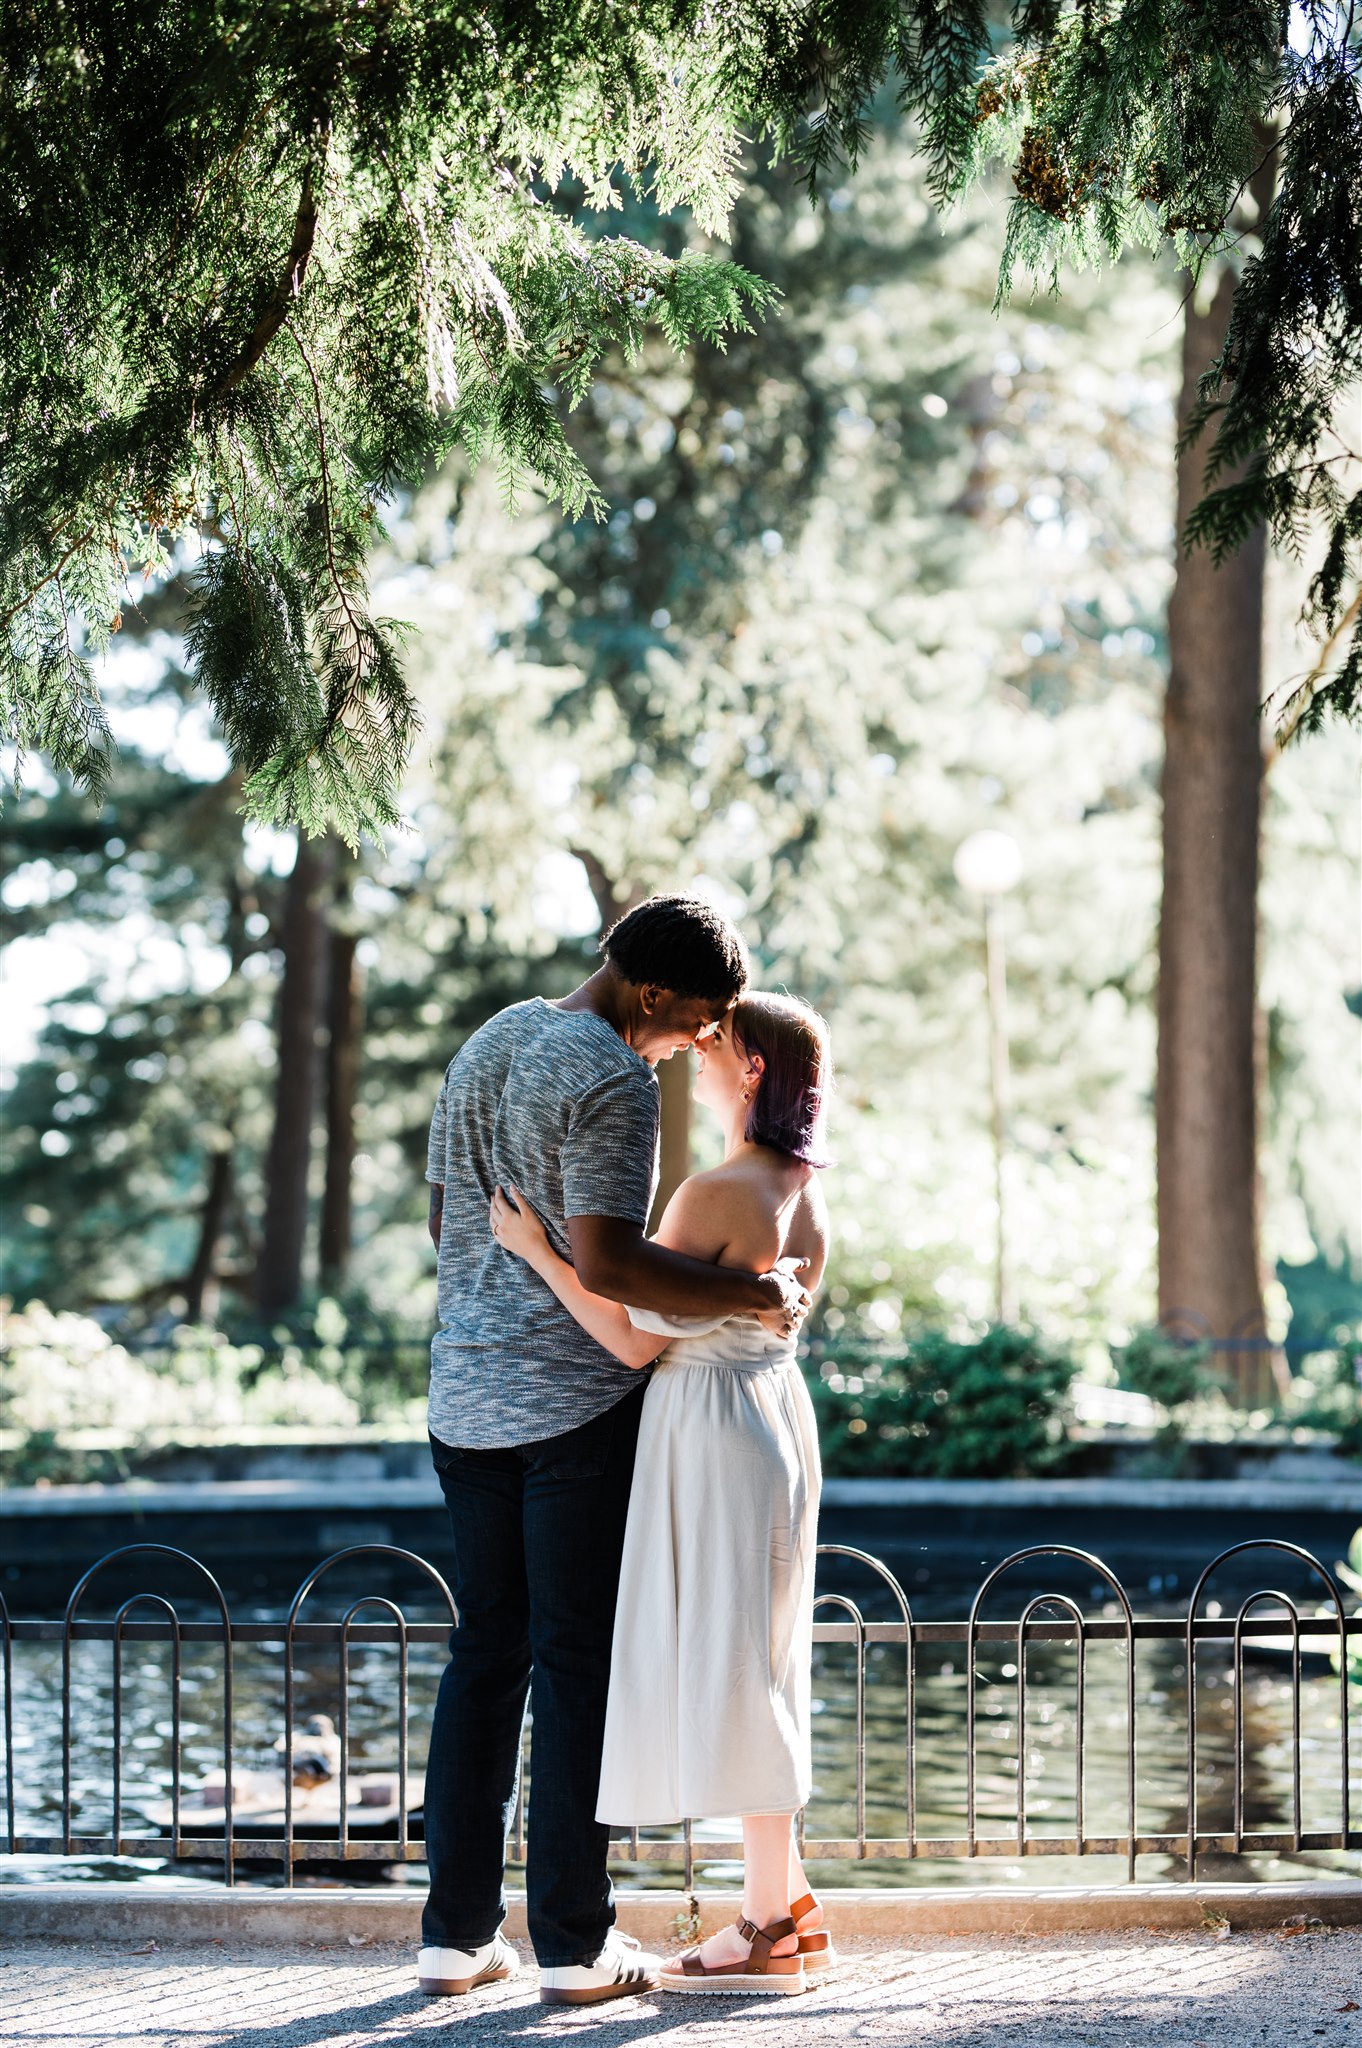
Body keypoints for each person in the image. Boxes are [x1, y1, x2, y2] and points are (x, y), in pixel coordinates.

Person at [419, 897, 811, 2007]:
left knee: (484, 1660)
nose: (705, 1039)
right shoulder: (615, 1074)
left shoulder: (492, 1035)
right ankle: (578, 1948)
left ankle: (454, 1935)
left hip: (464, 1400)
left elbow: (444, 1216)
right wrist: (751, 1289)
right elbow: (610, 1265)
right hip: (575, 1410)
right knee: (575, 1668)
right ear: (651, 995)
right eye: (701, 1016)